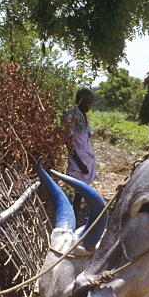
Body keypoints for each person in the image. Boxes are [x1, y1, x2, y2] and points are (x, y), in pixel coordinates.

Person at [63, 88, 96, 221]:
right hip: (78, 160)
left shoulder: (83, 116)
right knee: (78, 191)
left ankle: (76, 217)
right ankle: (73, 218)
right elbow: (68, 141)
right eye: (84, 102)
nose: (87, 105)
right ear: (78, 101)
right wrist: (80, 163)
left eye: (89, 103)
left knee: (81, 191)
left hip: (86, 157)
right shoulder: (71, 117)